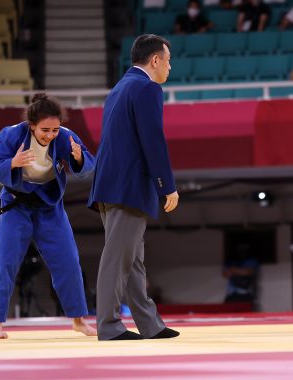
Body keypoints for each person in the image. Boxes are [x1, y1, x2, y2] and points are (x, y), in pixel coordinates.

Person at [0, 93, 97, 339]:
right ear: (32, 125)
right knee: (6, 261)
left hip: (49, 205)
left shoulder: (65, 136)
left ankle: (78, 320)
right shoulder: (11, 135)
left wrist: (78, 159)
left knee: (68, 260)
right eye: (45, 130)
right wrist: (12, 162)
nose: (50, 135)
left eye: (54, 130)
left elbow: (89, 164)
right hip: (16, 205)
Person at [88, 34, 180, 341]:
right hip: (126, 185)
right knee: (118, 257)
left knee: (131, 258)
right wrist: (166, 185)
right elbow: (152, 140)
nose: (170, 67)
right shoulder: (146, 87)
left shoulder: (120, 88)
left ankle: (149, 324)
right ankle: (109, 325)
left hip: (111, 183)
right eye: (167, 61)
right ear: (155, 61)